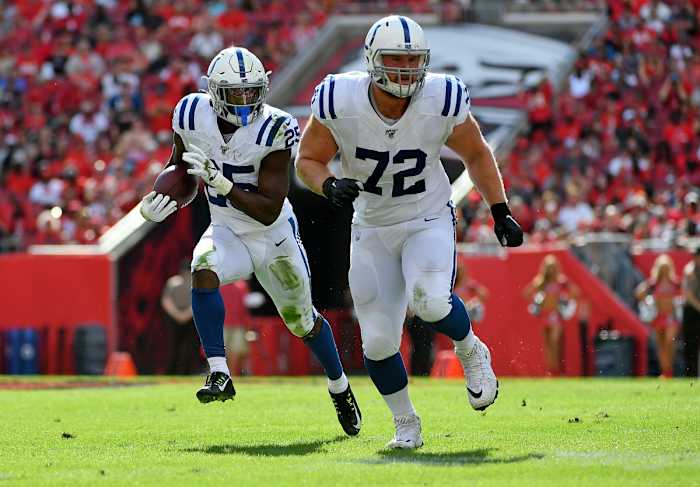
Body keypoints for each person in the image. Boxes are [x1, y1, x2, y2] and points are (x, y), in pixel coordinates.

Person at [295, 15, 523, 449]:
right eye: (394, 59)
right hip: (372, 225)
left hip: (426, 215)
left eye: (412, 59)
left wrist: (500, 209)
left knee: (431, 300)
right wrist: (327, 184)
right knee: (378, 342)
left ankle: (471, 348)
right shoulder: (339, 99)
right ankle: (406, 424)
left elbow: (476, 152)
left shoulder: (441, 96)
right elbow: (307, 160)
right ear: (372, 61)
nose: (404, 69)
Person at [139, 47, 361, 436]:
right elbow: (181, 171)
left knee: (302, 322)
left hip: (272, 238)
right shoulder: (191, 114)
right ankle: (219, 373)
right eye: (236, 93)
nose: (246, 100)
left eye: (252, 91)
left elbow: (269, 209)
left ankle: (340, 387)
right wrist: (163, 201)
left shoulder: (276, 127)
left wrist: (222, 182)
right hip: (226, 228)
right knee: (202, 269)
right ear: (214, 93)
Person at [523, 254, 579, 376]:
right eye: (549, 267)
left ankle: (557, 370)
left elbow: (576, 292)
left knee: (555, 342)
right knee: (547, 345)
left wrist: (565, 301)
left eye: (553, 267)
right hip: (544, 315)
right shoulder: (541, 282)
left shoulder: (561, 281)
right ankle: (551, 371)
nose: (551, 270)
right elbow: (526, 293)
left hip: (555, 316)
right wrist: (536, 301)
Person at [635, 254, 681, 378]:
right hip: (658, 317)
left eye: (666, 267)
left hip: (671, 317)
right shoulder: (653, 283)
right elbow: (639, 293)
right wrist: (648, 303)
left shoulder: (675, 282)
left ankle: (669, 369)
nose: (664, 270)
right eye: (662, 268)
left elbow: (683, 295)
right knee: (660, 346)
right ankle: (665, 371)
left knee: (669, 342)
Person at [161, 261, 202, 375]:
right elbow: (166, 300)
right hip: (174, 318)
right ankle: (171, 372)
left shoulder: (196, 283)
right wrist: (177, 314)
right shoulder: (173, 282)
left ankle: (188, 372)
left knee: (191, 347)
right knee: (173, 347)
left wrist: (186, 315)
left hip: (190, 318)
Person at [682, 249, 700, 377]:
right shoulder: (690, 270)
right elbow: (688, 295)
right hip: (692, 312)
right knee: (691, 344)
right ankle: (691, 376)